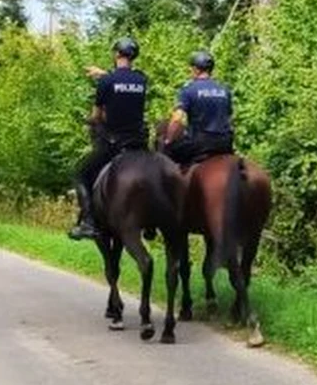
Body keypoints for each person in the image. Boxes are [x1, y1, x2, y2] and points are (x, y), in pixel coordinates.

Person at [67, 37, 149, 240]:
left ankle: (88, 222)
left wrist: (90, 120)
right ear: (133, 56)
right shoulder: (142, 79)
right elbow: (124, 82)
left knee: (80, 174)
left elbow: (97, 116)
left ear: (116, 55)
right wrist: (105, 75)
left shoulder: (106, 81)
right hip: (138, 143)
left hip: (113, 143)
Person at [162, 50, 234, 167]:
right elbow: (230, 120)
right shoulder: (224, 89)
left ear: (196, 69)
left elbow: (177, 119)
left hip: (200, 143)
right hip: (225, 144)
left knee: (168, 155)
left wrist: (168, 141)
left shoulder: (189, 89)